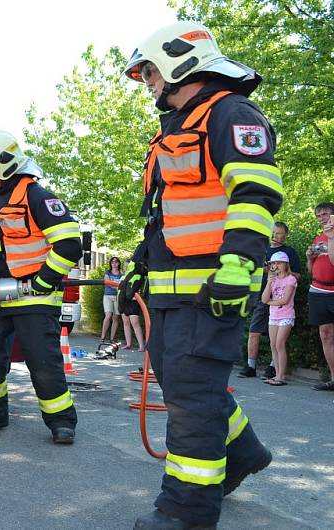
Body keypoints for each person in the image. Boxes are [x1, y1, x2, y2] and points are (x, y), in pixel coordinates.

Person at [122, 21, 283, 529]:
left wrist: (238, 266)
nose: (146, 81)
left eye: (149, 71)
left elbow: (255, 195)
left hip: (212, 291)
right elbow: (167, 216)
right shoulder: (174, 129)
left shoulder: (230, 114)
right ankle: (244, 452)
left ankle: (185, 512)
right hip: (171, 295)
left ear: (178, 65)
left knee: (191, 403)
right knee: (185, 388)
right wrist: (137, 271)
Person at [0, 130, 82, 445]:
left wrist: (43, 281)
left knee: (43, 362)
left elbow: (70, 244)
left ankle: (61, 421)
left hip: (34, 296)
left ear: (4, 164)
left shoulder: (36, 195)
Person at [238, 221, 301, 378]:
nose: (275, 236)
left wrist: (278, 269)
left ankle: (274, 368)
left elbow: (297, 276)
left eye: (279, 233)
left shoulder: (289, 252)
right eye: (273, 232)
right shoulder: (261, 250)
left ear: (285, 236)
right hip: (262, 296)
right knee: (254, 331)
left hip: (281, 300)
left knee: (278, 339)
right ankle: (250, 366)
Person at [307, 202, 334, 391]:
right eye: (318, 215)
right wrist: (309, 257)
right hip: (318, 291)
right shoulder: (318, 238)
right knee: (325, 335)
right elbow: (312, 271)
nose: (321, 218)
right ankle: (333, 379)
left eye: (325, 214)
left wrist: (332, 238)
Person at [260, 251, 296, 386]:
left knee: (280, 344)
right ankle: (276, 375)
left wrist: (270, 302)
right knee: (273, 345)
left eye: (279, 263)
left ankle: (282, 376)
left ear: (286, 264)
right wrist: (269, 283)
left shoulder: (291, 279)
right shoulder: (273, 279)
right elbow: (264, 299)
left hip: (286, 316)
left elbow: (285, 300)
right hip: (273, 316)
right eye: (273, 263)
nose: (276, 265)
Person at [100, 257, 123, 342]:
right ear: (110, 263)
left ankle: (112, 338)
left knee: (116, 318)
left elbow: (123, 283)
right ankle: (102, 337)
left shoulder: (121, 274)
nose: (114, 263)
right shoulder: (108, 273)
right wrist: (117, 286)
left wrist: (117, 287)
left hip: (117, 297)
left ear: (118, 263)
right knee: (108, 316)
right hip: (108, 296)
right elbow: (108, 283)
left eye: (116, 262)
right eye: (112, 262)